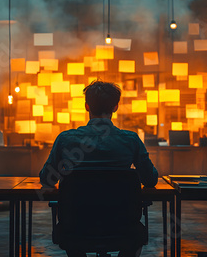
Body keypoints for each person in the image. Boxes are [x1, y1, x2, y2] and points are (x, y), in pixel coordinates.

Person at [39, 80, 158, 257]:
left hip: (76, 226)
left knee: (73, 237)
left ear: (87, 106)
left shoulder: (66, 139)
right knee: (134, 237)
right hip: (123, 226)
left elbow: (46, 179)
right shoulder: (131, 140)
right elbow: (150, 180)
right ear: (115, 107)